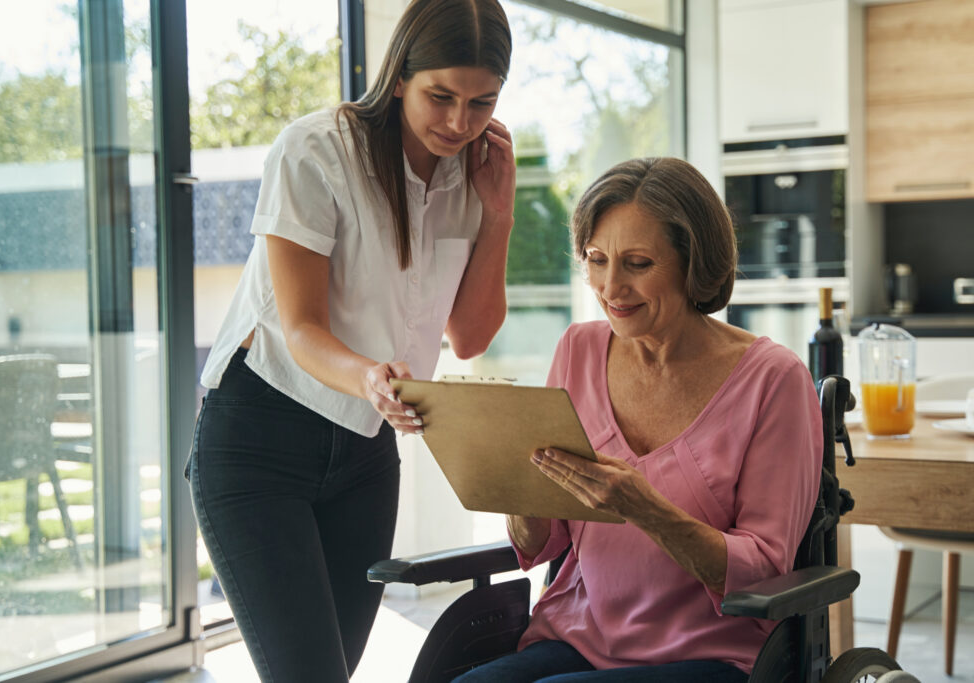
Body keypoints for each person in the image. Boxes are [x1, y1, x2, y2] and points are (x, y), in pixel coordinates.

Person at [185, 1, 514, 680]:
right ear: (400, 77)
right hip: (259, 439)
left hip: (365, 453)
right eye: (441, 96)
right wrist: (368, 375)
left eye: (482, 102)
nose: (459, 121)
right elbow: (301, 330)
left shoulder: (471, 175)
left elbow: (471, 334)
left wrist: (499, 210)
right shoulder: (316, 149)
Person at [454, 158, 822, 683]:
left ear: (693, 263)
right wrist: (511, 481)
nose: (610, 287)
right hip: (580, 638)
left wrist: (643, 507)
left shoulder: (773, 379)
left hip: (712, 654)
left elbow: (763, 572)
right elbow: (542, 542)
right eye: (597, 259)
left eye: (638, 263)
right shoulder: (578, 349)